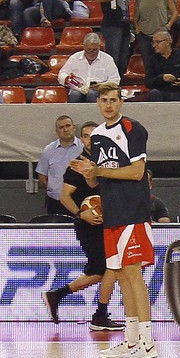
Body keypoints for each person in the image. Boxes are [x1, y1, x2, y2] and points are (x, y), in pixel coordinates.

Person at [69, 84, 157, 358]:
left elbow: (137, 171)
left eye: (113, 100)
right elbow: (97, 179)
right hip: (111, 212)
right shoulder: (95, 136)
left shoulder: (133, 128)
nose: (108, 105)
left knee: (133, 275)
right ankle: (131, 340)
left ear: (121, 102)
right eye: (104, 100)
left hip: (132, 209)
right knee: (119, 275)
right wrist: (88, 175)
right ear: (97, 103)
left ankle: (147, 342)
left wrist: (98, 170)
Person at [51, 120, 122, 331]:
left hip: (111, 220)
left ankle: (57, 295)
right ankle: (99, 314)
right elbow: (64, 196)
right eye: (86, 136)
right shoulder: (78, 163)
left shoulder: (109, 160)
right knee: (109, 267)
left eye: (94, 135)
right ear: (81, 139)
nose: (90, 139)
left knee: (104, 270)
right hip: (89, 224)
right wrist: (81, 215)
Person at [37, 115, 83, 217]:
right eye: (61, 128)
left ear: (74, 127)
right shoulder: (48, 150)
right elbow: (42, 177)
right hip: (55, 202)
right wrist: (55, 189)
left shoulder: (83, 148)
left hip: (79, 201)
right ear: (56, 131)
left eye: (67, 126)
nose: (65, 129)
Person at [132, 0, 178, 65]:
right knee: (148, 64)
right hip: (144, 35)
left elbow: (174, 12)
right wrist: (138, 29)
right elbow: (136, 17)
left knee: (163, 63)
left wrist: (168, 26)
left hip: (161, 33)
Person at [60, 32, 120, 104]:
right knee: (74, 95)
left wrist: (102, 85)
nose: (91, 53)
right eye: (88, 50)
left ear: (99, 47)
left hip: (99, 91)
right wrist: (67, 79)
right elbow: (62, 74)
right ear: (84, 46)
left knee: (91, 94)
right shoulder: (74, 58)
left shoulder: (107, 59)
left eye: (94, 50)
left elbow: (116, 79)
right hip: (78, 89)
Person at [144, 30, 180, 102]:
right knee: (154, 93)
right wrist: (162, 78)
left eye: (158, 42)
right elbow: (148, 82)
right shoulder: (152, 59)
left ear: (168, 42)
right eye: (153, 42)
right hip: (162, 92)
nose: (154, 45)